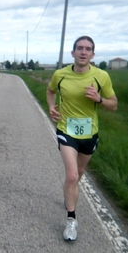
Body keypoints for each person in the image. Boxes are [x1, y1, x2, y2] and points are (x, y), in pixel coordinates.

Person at [46, 36, 118, 241]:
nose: (83, 52)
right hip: (66, 130)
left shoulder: (101, 76)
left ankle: (70, 192)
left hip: (90, 133)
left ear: (93, 54)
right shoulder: (60, 75)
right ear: (73, 53)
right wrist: (51, 107)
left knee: (79, 171)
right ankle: (71, 219)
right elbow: (50, 91)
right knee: (71, 175)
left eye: (88, 49)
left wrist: (99, 99)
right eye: (80, 48)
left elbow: (114, 105)